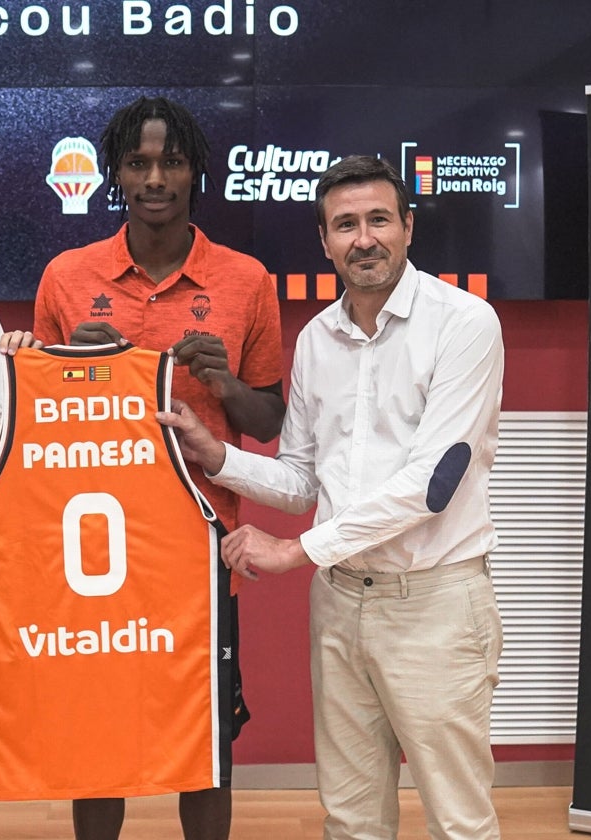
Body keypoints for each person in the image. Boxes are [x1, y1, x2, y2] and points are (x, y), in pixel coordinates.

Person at [159, 155, 505, 840]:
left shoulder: (465, 323)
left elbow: (432, 485)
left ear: (408, 227)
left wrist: (297, 551)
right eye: (345, 225)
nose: (364, 238)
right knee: (349, 819)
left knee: (459, 821)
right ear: (325, 242)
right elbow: (301, 481)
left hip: (433, 604)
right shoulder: (317, 339)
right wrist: (216, 455)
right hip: (341, 603)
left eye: (379, 219)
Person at [5, 96, 286, 840]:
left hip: (199, 547)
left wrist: (226, 386)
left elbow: (271, 421)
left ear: (196, 170)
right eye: (138, 162)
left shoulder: (247, 280)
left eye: (171, 160)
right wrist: (69, 365)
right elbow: (35, 420)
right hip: (94, 550)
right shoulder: (68, 275)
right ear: (115, 173)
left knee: (205, 742)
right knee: (101, 740)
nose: (155, 176)